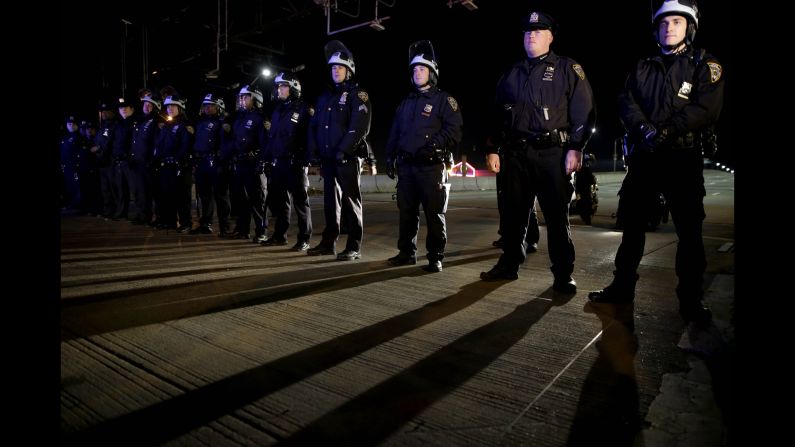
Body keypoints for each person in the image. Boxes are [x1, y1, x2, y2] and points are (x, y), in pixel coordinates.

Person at [588, 0, 723, 326]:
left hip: (682, 158)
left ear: (688, 27)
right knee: (632, 227)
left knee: (689, 233)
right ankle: (622, 287)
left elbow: (706, 108)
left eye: (677, 22)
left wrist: (666, 130)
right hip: (646, 157)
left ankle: (690, 299)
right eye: (664, 23)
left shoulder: (705, 64)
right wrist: (646, 130)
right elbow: (626, 101)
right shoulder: (643, 66)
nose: (669, 28)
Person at [480, 10, 595, 294]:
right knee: (513, 215)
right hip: (515, 155)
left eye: (539, 31)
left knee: (556, 217)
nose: (532, 36)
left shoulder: (568, 69)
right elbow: (495, 114)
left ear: (550, 37)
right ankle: (509, 264)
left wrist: (575, 147)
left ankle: (563, 274)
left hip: (552, 153)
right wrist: (493, 148)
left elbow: (584, 110)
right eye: (528, 32)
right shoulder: (511, 73)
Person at [385, 40, 463, 273]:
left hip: (431, 168)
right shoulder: (405, 103)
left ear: (432, 72)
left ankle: (435, 256)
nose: (418, 73)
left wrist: (434, 144)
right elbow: (395, 133)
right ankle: (406, 253)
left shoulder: (444, 100)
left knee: (434, 214)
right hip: (407, 168)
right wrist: (388, 157)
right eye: (415, 70)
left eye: (422, 69)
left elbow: (455, 129)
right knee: (406, 212)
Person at [307, 40, 372, 261]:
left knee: (351, 201)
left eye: (340, 67)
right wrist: (314, 151)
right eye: (333, 68)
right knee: (330, 202)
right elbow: (315, 125)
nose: (336, 71)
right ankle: (328, 242)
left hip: (347, 158)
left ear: (349, 70)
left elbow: (360, 127)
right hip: (328, 159)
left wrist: (343, 150)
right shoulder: (325, 96)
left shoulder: (358, 94)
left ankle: (354, 246)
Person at [262, 72, 313, 250]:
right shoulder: (277, 111)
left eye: (282, 86)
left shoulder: (304, 109)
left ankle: (304, 239)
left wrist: (306, 159)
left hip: (296, 163)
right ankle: (279, 235)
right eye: (277, 86)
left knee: (300, 202)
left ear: (293, 88)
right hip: (279, 163)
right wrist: (267, 158)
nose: (278, 89)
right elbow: (273, 137)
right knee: (280, 202)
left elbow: (309, 137)